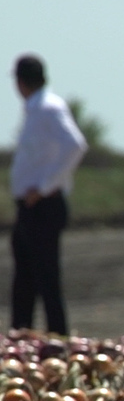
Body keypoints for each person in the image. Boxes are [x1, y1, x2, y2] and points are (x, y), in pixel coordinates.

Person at [8, 54, 87, 335]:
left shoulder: (48, 108)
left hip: (44, 204)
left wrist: (43, 187)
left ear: (21, 82)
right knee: (25, 277)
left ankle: (57, 336)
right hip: (30, 206)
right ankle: (21, 335)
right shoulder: (36, 109)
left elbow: (75, 145)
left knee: (45, 276)